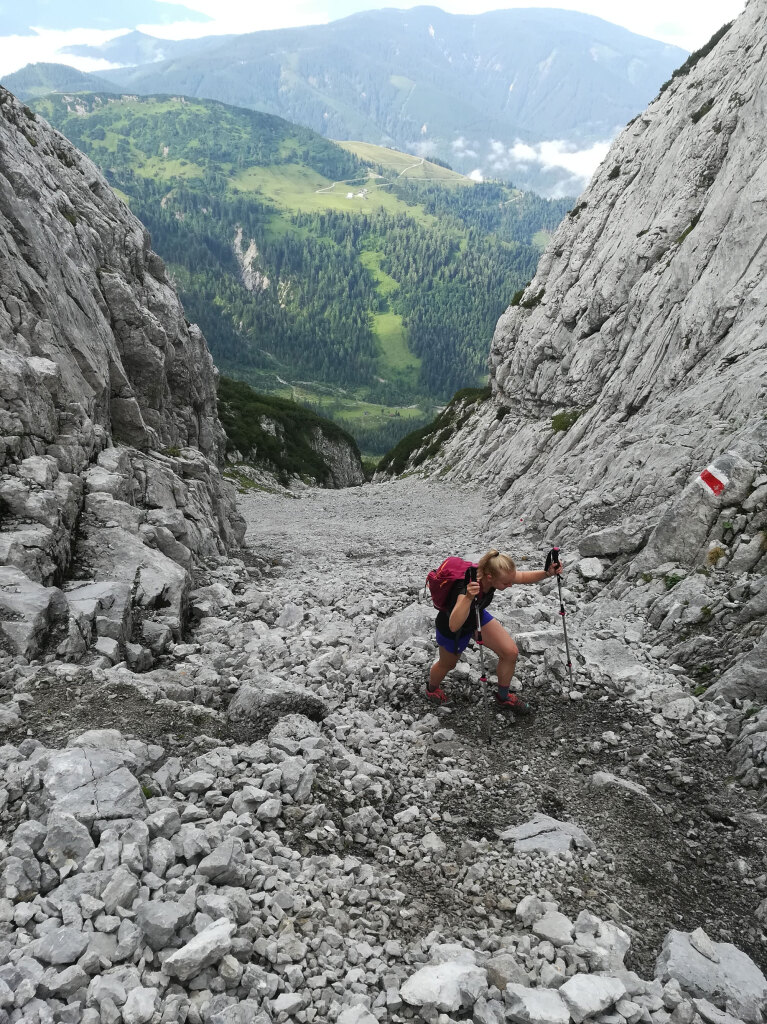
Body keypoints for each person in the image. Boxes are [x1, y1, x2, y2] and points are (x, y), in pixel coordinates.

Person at [427, 548, 563, 711]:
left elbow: (520, 577)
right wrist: (469, 597)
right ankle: (431, 689)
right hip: (454, 628)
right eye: (506, 583)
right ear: (490, 577)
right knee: (447, 664)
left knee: (510, 652)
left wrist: (547, 573)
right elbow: (454, 624)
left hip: (477, 615)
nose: (511, 584)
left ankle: (503, 697)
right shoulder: (466, 589)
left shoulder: (492, 575)